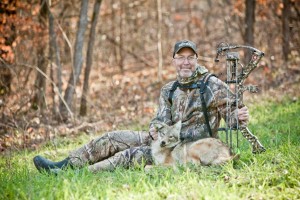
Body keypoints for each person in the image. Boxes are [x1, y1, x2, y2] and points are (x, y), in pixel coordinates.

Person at [33, 40, 249, 173]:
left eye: (190, 58)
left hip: (187, 150)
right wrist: (155, 128)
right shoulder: (169, 89)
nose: (185, 63)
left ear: (196, 60)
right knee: (112, 138)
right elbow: (161, 118)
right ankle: (64, 164)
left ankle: (79, 174)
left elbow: (230, 115)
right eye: (180, 58)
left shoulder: (211, 85)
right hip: (166, 140)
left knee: (129, 155)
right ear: (174, 61)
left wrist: (238, 116)